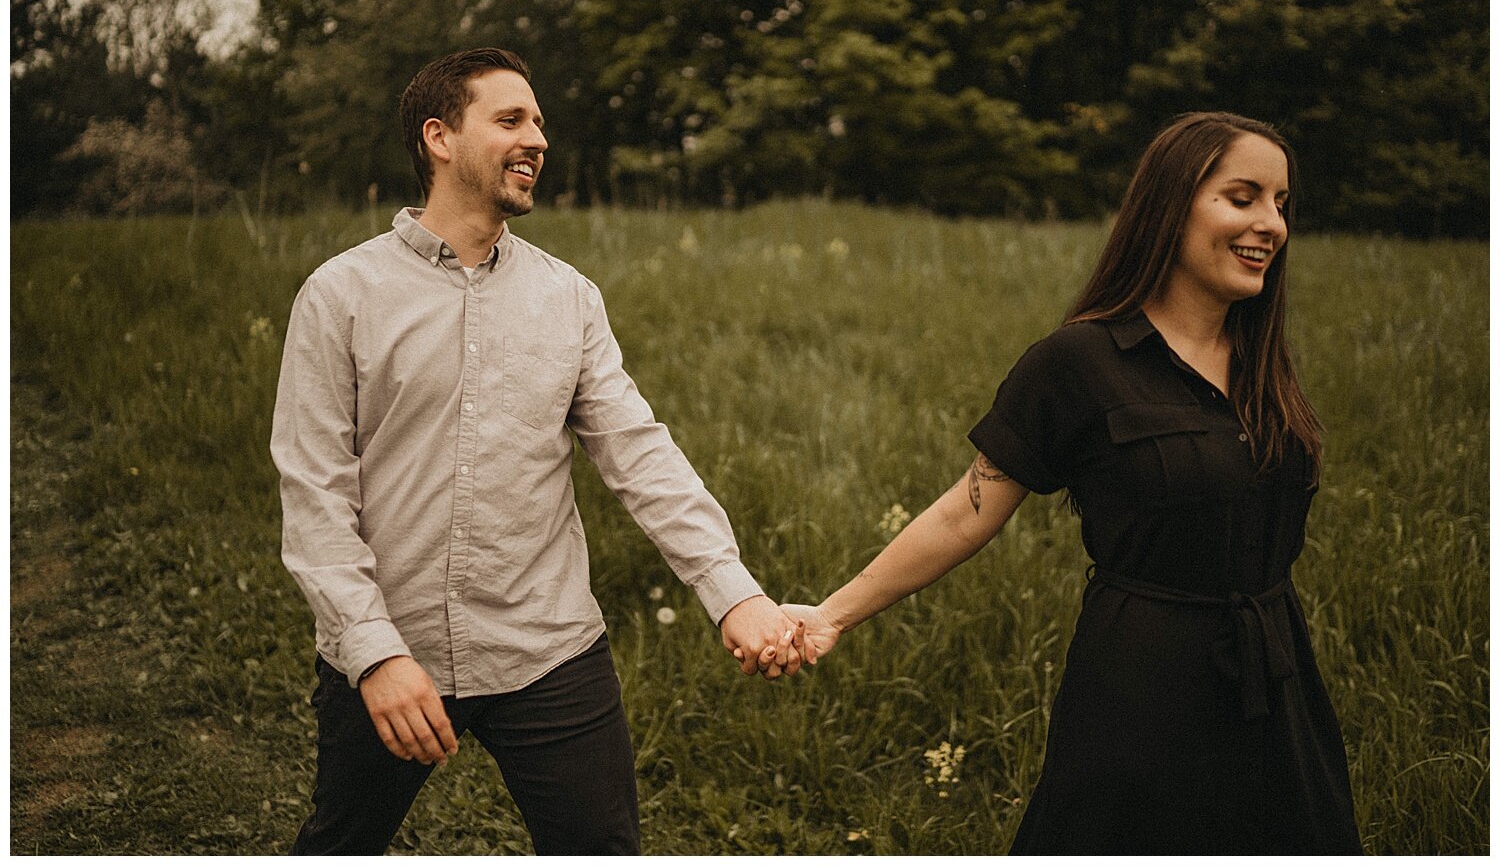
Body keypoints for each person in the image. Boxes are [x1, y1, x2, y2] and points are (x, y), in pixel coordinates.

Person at [778, 112, 1363, 853]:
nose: (1270, 223)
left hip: (1276, 678)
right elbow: (968, 509)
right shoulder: (1080, 362)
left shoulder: (1261, 360)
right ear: (1171, 204)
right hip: (1144, 685)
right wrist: (833, 614)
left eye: (1281, 202)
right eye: (1242, 196)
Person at [271, 47, 804, 855]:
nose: (538, 139)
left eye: (541, 123)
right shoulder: (340, 295)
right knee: (340, 844)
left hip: (549, 651)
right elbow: (315, 493)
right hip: (393, 647)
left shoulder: (569, 298)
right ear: (440, 136)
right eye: (512, 119)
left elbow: (640, 453)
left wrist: (733, 592)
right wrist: (373, 653)